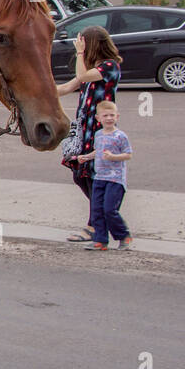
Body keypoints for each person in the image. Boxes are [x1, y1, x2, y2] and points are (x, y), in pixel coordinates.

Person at [57, 25, 121, 242]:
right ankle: (101, 215)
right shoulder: (92, 68)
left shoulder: (109, 67)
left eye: (82, 42)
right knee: (80, 175)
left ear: (92, 44)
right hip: (84, 130)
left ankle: (94, 226)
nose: (79, 45)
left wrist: (80, 54)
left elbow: (82, 77)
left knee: (94, 176)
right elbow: (66, 88)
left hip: (100, 130)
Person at [75, 100, 132, 250]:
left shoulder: (120, 136)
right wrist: (86, 157)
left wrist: (114, 157)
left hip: (115, 179)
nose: (109, 118)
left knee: (109, 210)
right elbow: (98, 152)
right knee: (96, 209)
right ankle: (100, 240)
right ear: (98, 118)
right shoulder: (98, 134)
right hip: (99, 178)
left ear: (117, 117)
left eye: (112, 115)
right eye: (105, 115)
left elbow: (128, 154)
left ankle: (124, 236)